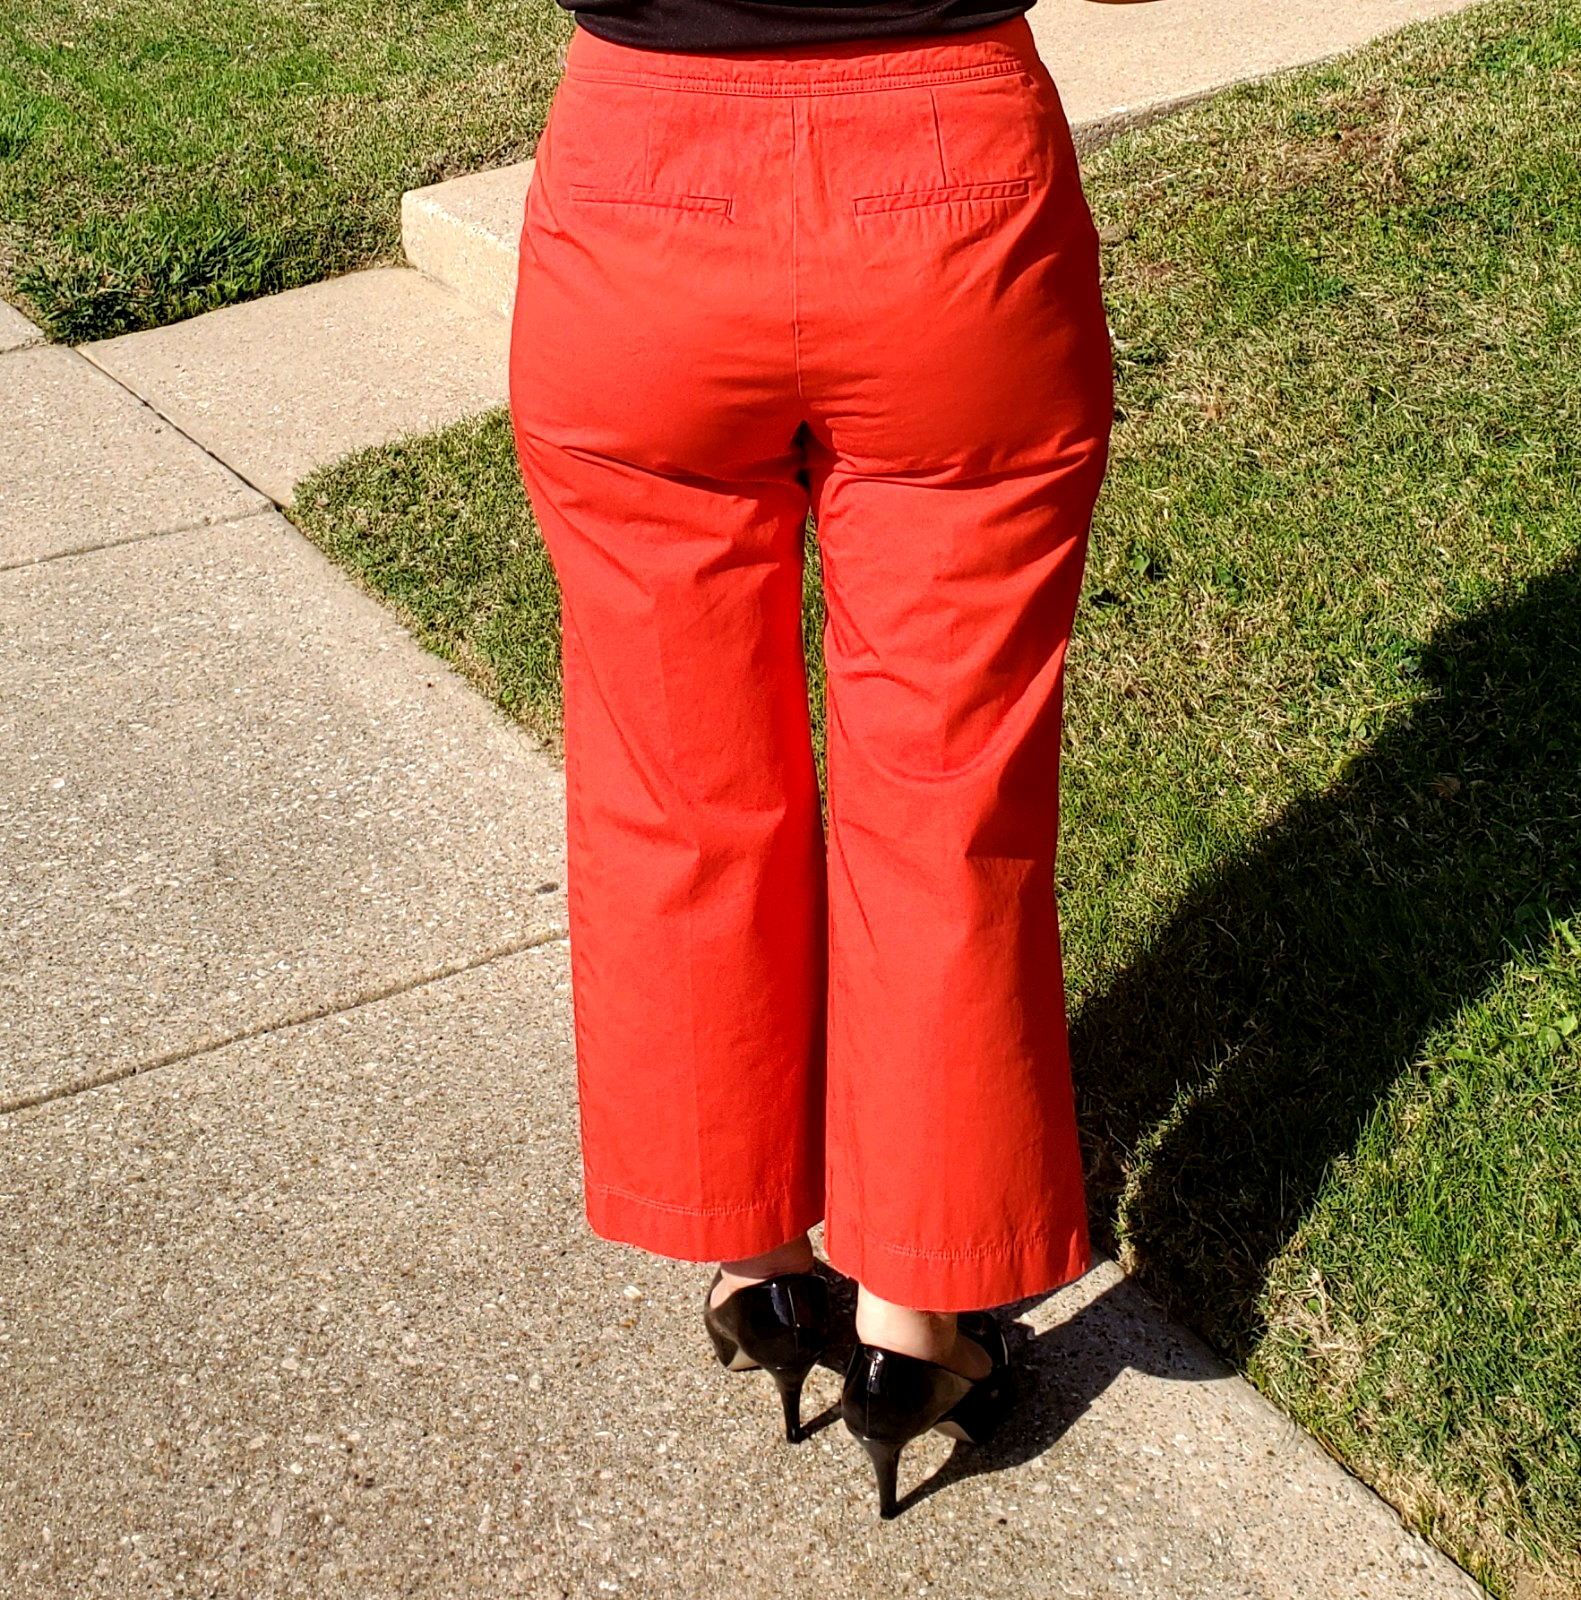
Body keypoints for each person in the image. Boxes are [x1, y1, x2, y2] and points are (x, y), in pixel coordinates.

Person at [507, 0, 1113, 1520]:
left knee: (676, 787)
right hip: (951, 183)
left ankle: (759, 1266)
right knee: (948, 791)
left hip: (642, 175)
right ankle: (916, 1321)